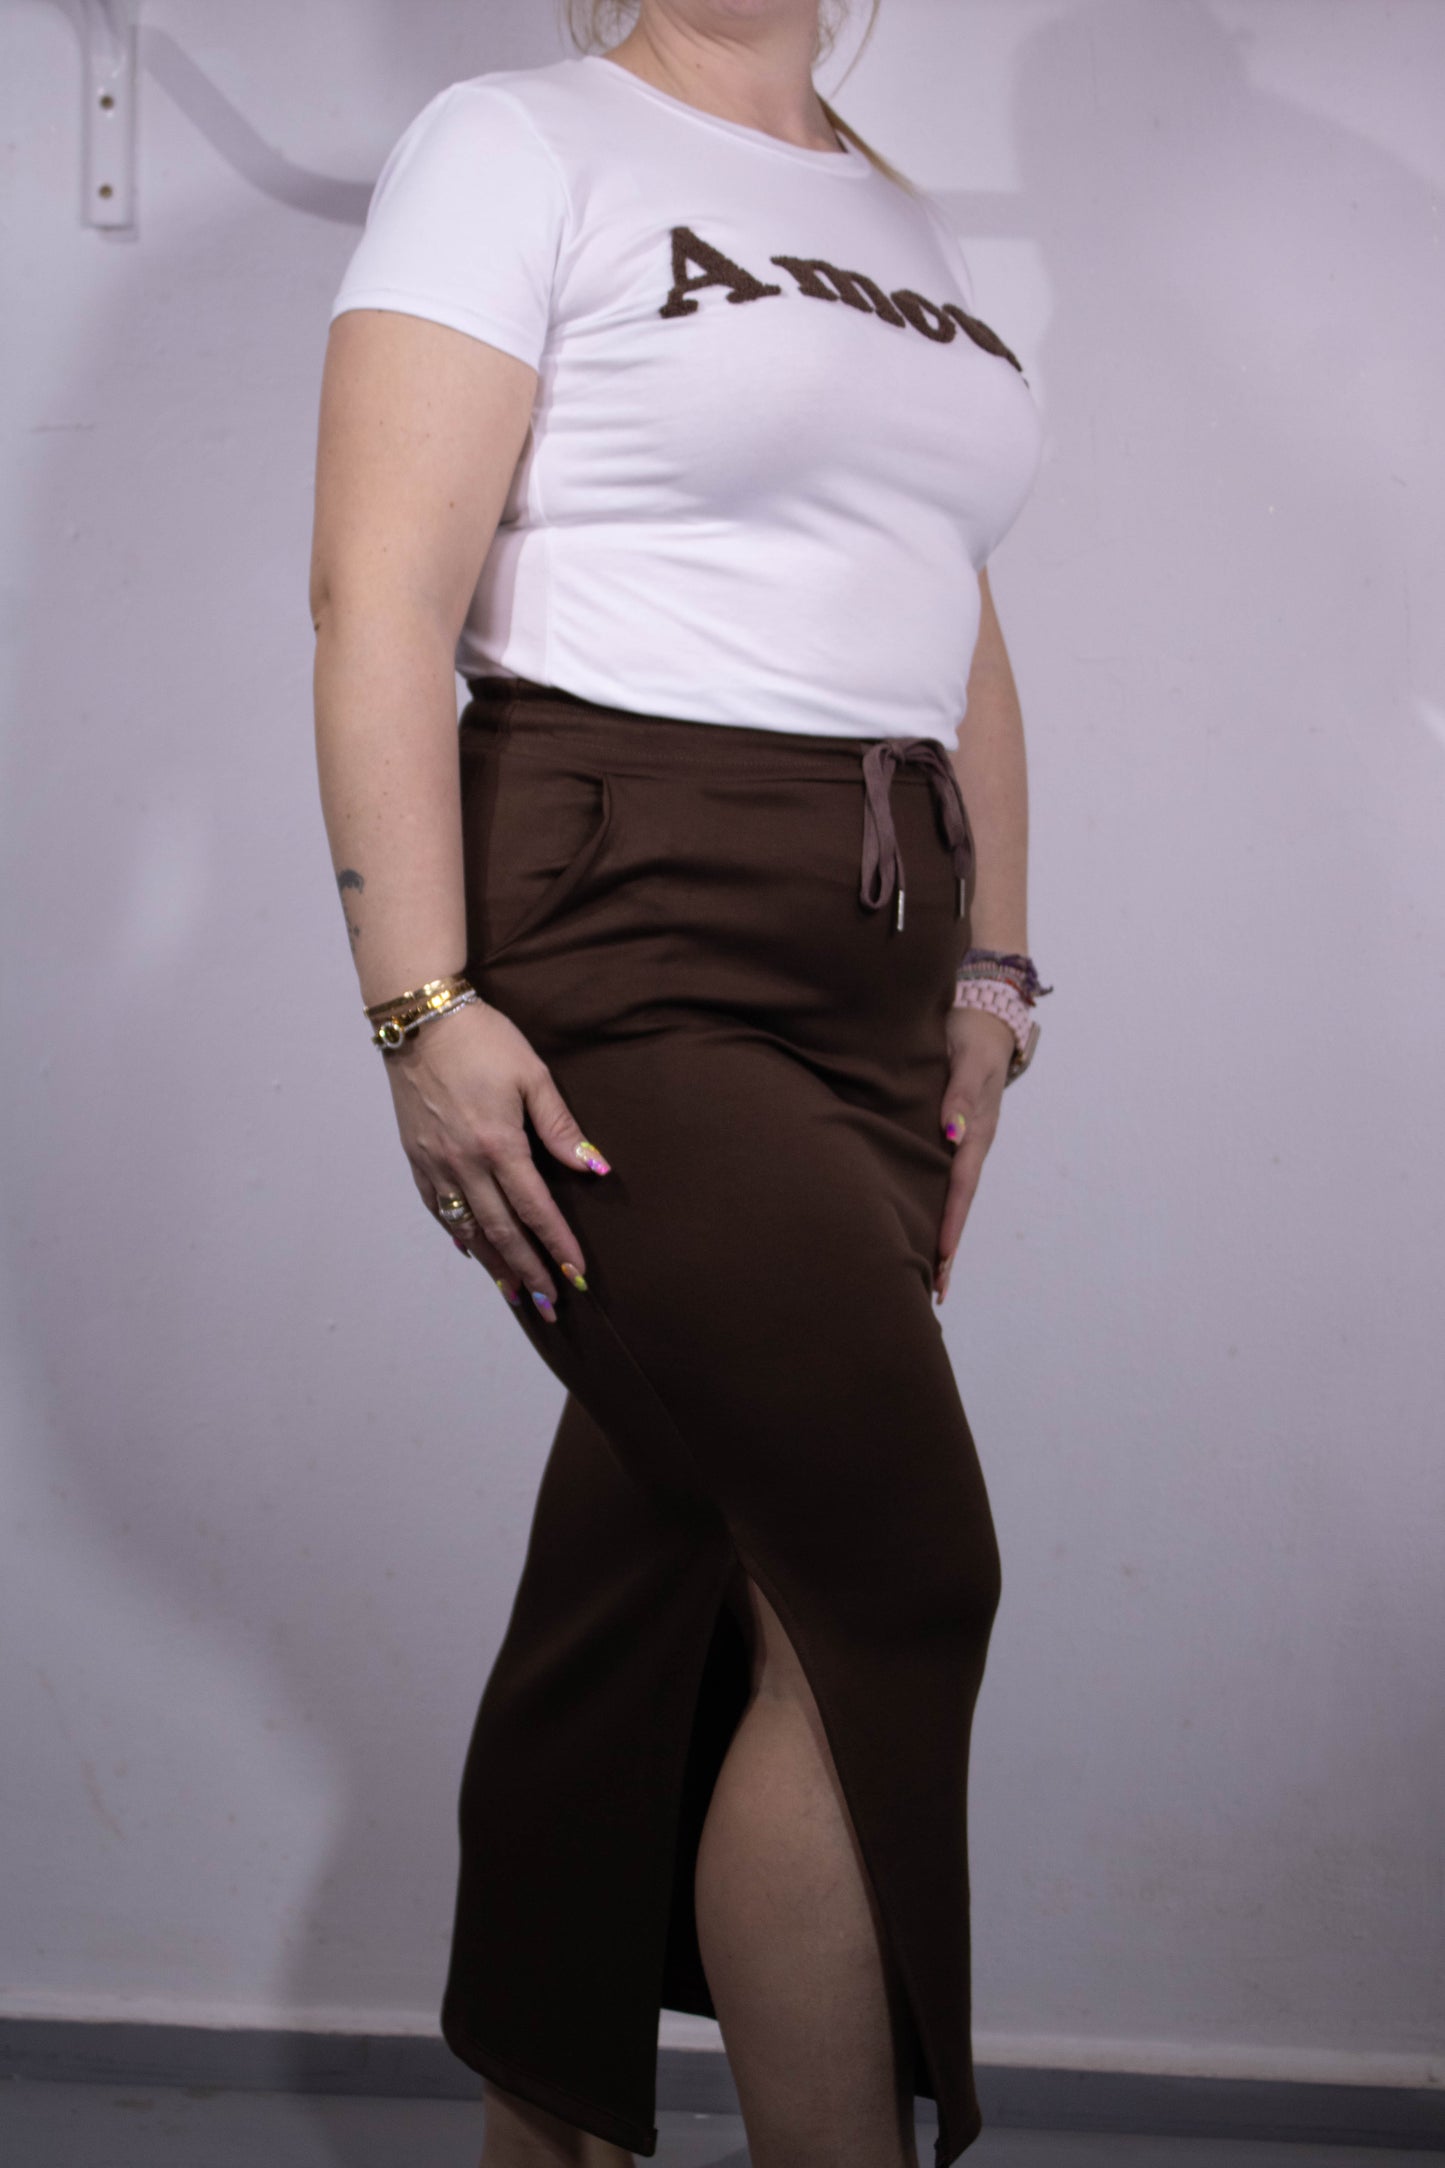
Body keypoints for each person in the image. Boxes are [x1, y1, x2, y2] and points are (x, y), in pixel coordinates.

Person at [310, 2, 1047, 2163]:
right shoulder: (517, 141)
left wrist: (992, 971)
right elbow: (376, 597)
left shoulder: (892, 210)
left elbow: (949, 608)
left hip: (877, 956)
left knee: (659, 1576)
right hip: (626, 920)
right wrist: (419, 1006)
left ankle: (541, 2142)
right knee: (889, 1577)